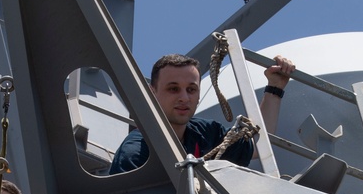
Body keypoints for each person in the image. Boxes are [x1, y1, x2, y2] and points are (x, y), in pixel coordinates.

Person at [108, 53, 295, 174]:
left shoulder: (204, 133)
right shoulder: (136, 153)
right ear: (152, 93)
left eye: (191, 89)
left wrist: (275, 87)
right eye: (173, 89)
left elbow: (256, 146)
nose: (184, 98)